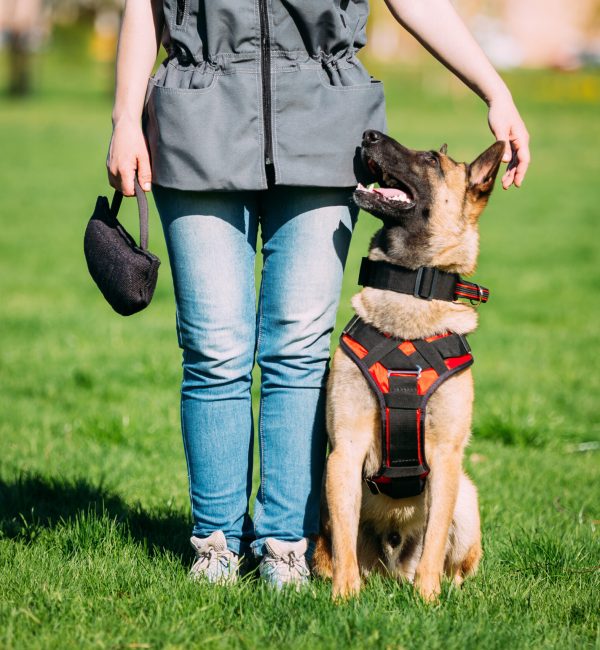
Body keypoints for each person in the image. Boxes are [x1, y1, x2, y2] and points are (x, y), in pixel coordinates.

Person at [107, 0, 529, 588]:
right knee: (213, 351)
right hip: (196, 120)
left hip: (321, 126)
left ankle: (285, 546)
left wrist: (494, 89)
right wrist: (126, 116)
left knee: (299, 352)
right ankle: (216, 545)